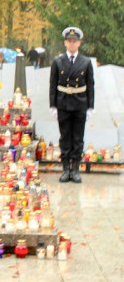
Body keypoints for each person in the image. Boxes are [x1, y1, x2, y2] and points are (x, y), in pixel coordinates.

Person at [49, 27, 94, 183]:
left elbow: (90, 85)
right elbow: (53, 84)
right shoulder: (57, 61)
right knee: (65, 137)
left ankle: (75, 169)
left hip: (80, 104)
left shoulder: (86, 62)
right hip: (63, 103)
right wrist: (53, 105)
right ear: (65, 43)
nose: (72, 44)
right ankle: (65, 169)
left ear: (79, 43)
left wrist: (90, 107)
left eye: (74, 41)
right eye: (69, 41)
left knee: (78, 138)